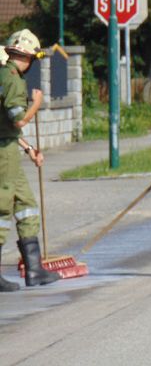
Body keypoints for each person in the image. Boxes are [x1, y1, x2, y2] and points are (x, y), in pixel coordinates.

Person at [0, 30, 60, 291]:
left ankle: (34, 269)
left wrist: (29, 148)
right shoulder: (12, 80)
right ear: (28, 57)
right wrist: (36, 103)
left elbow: (8, 126)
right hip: (3, 152)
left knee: (26, 204)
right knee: (2, 208)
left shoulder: (5, 75)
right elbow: (18, 120)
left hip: (10, 146)